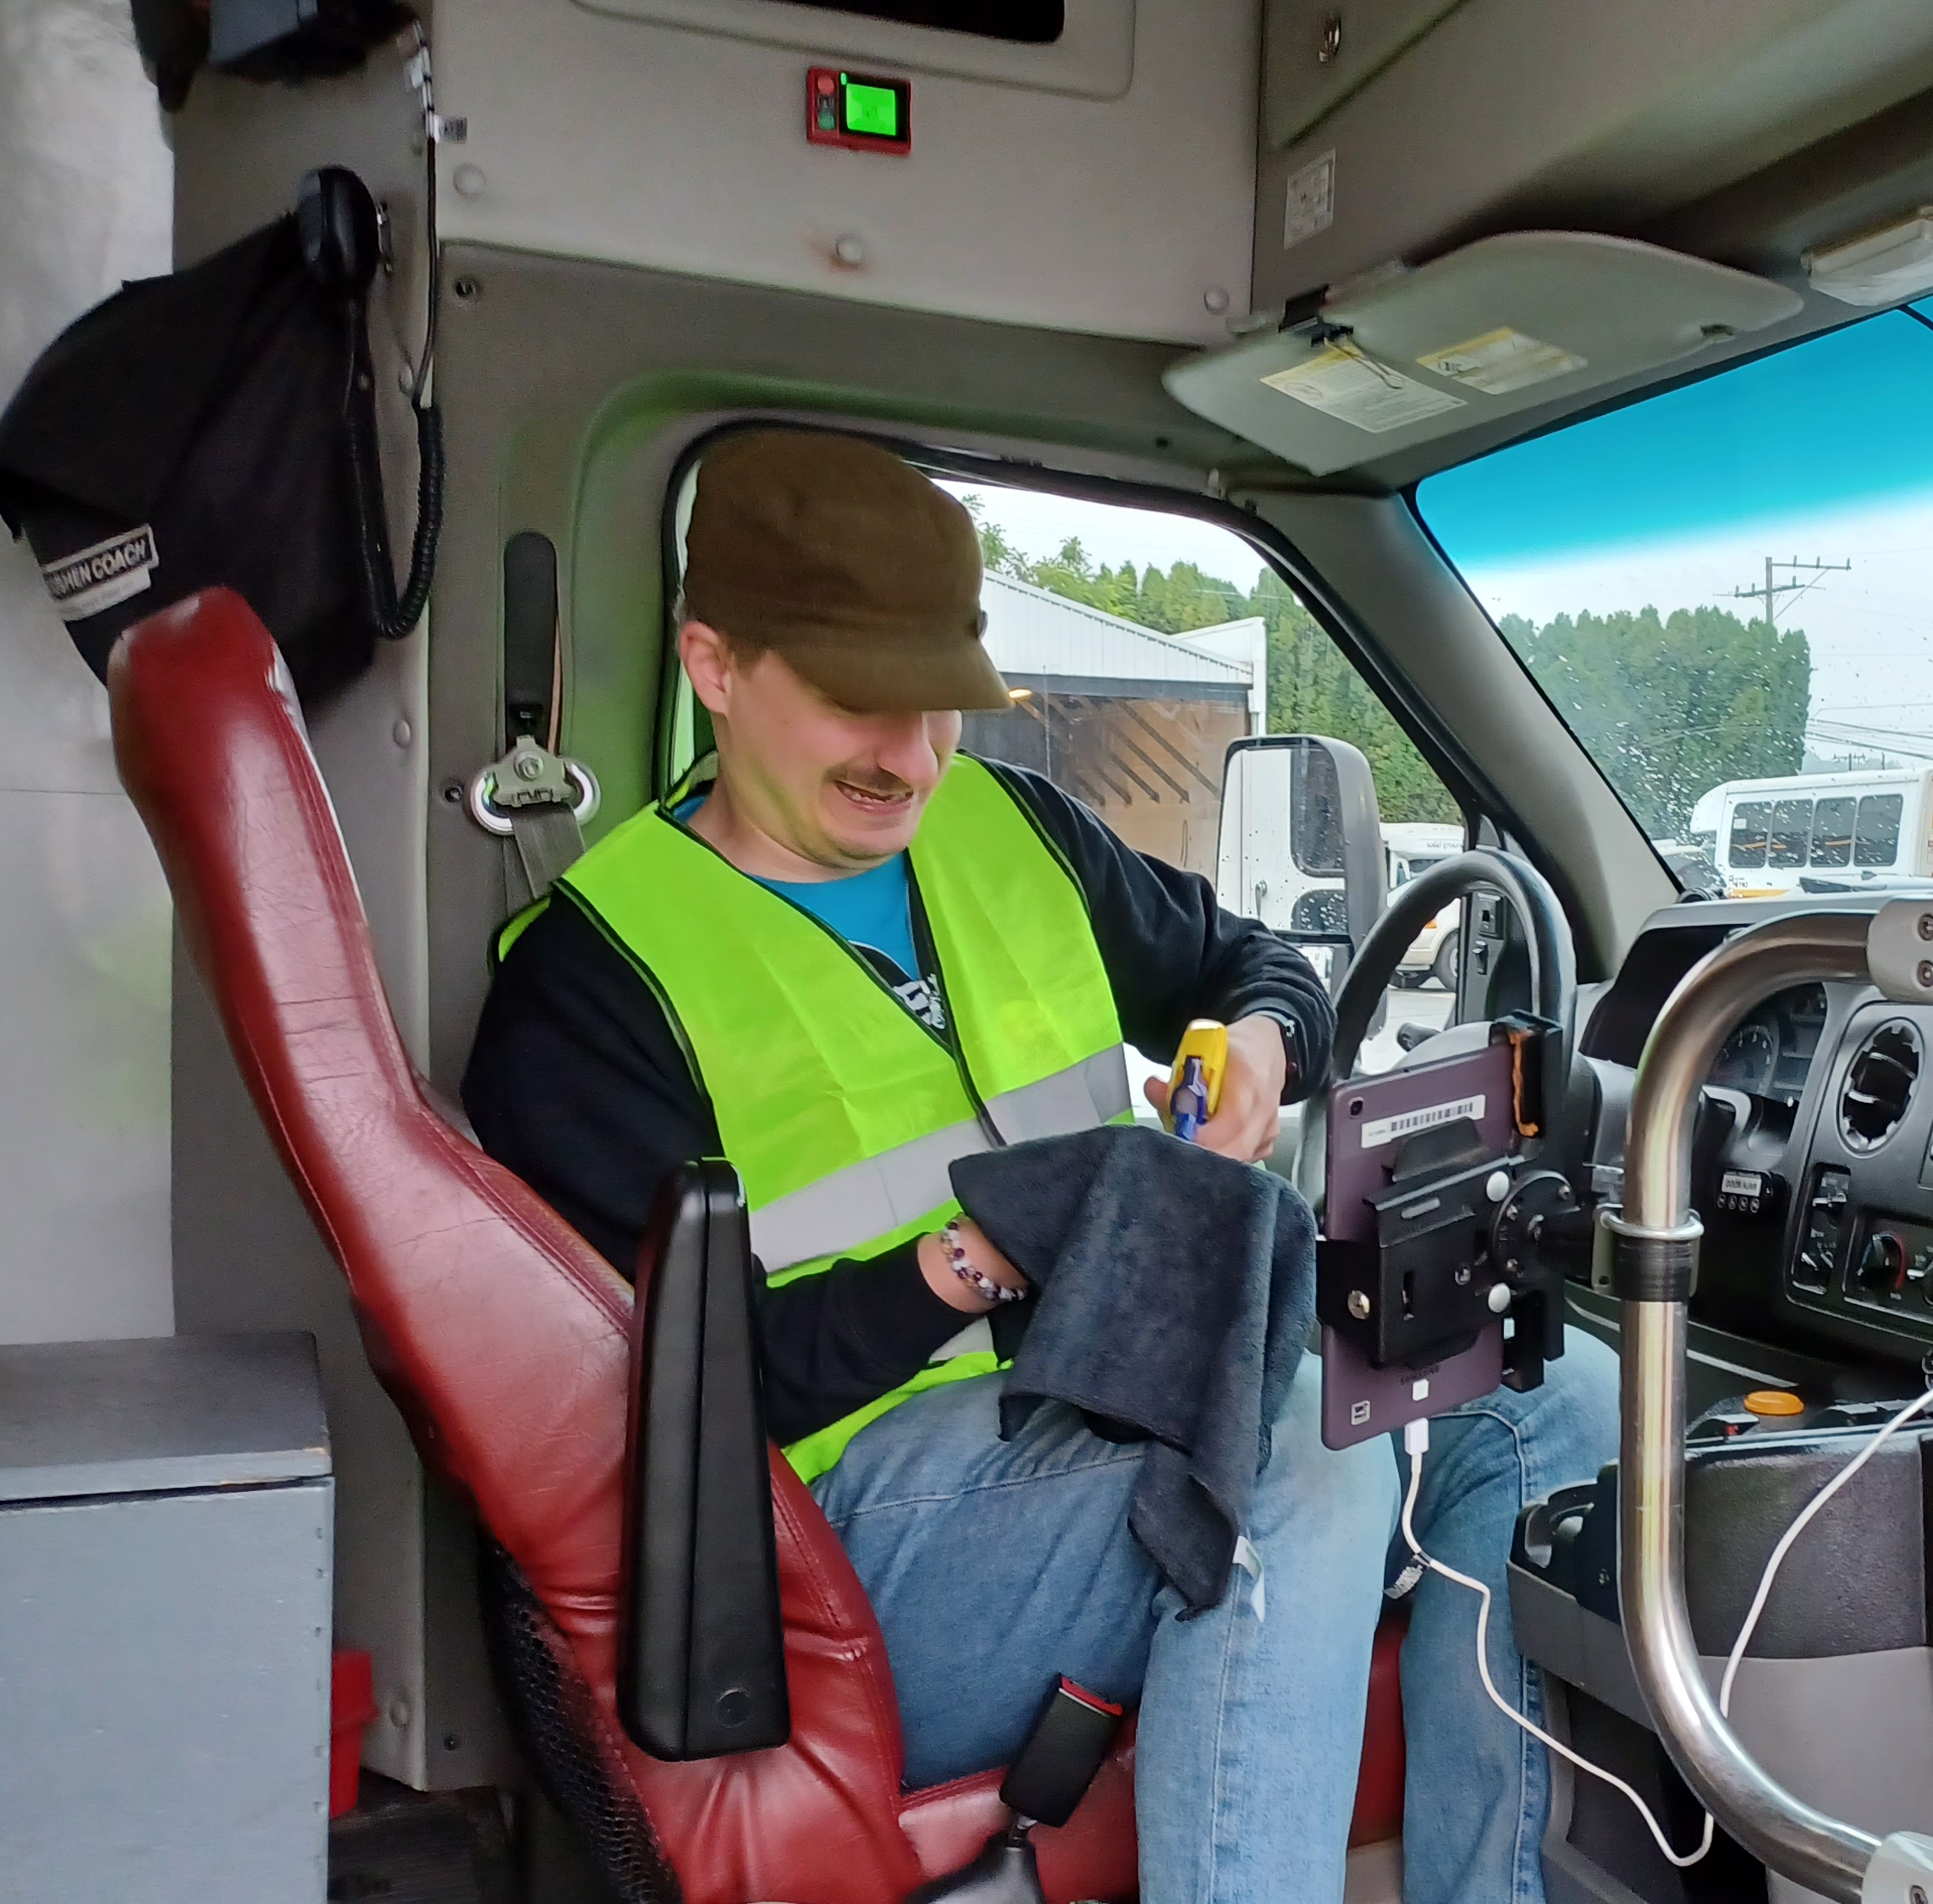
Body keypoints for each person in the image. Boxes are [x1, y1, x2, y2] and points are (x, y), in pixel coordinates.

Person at [462, 428, 1616, 1904]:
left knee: (1541, 1387)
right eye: (857, 704)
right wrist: (980, 1252)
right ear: (712, 663)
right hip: (848, 1540)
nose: (913, 756)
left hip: (1124, 1391)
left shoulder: (1016, 831)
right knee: (1292, 1449)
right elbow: (666, 1403)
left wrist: (1262, 1045)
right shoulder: (590, 984)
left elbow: (1260, 961)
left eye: (941, 704)